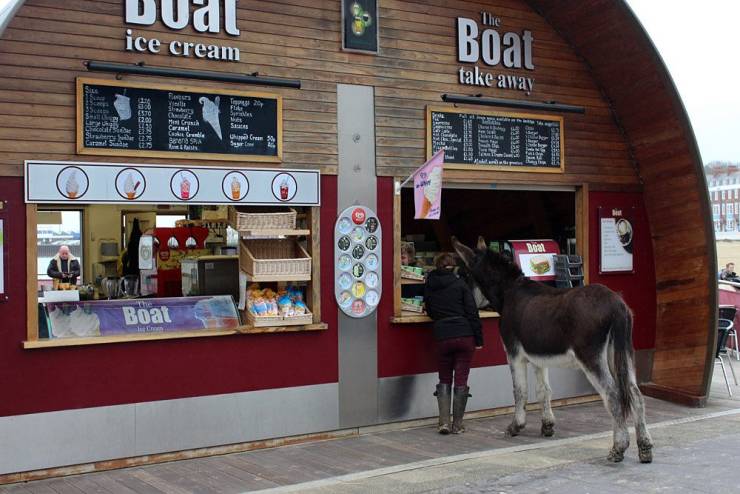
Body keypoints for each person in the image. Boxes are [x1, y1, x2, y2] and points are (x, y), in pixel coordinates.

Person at [424, 252, 483, 434]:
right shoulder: (460, 284)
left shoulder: (430, 285)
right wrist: (479, 340)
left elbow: (430, 311)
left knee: (444, 378)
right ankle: (457, 425)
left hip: (443, 336)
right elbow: (473, 313)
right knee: (461, 378)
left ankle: (443, 422)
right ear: (453, 266)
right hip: (464, 335)